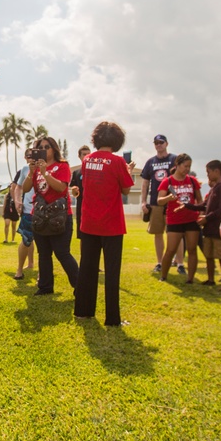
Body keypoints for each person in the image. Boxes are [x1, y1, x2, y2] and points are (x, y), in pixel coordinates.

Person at [74, 122, 134, 326]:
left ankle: (83, 311)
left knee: (87, 269)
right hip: (111, 224)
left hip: (89, 222)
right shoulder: (117, 161)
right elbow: (126, 189)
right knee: (111, 272)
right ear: (117, 140)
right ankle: (112, 318)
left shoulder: (87, 160)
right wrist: (127, 170)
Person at [22, 136, 79, 295]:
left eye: (47, 147)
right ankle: (45, 287)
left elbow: (61, 188)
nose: (43, 150)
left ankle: (80, 286)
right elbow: (25, 189)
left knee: (62, 252)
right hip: (40, 216)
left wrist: (45, 173)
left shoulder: (62, 166)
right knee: (44, 253)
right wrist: (31, 172)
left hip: (59, 216)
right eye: (40, 147)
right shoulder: (35, 168)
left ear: (54, 149)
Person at [157, 154, 204, 283]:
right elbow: (159, 200)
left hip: (191, 219)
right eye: (185, 166)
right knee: (171, 250)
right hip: (174, 220)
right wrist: (168, 198)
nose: (187, 169)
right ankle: (163, 276)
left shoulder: (193, 181)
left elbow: (200, 200)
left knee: (192, 249)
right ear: (177, 165)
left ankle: (190, 279)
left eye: (189, 166)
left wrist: (200, 213)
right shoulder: (167, 181)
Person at [140, 135, 180, 275]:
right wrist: (143, 201)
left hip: (172, 202)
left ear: (166, 143)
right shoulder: (150, 162)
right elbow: (145, 183)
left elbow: (179, 178)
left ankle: (179, 262)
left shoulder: (174, 159)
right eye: (156, 143)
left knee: (175, 233)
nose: (158, 145)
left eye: (161, 142)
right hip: (156, 202)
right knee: (158, 233)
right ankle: (160, 262)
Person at [198, 160, 221, 291]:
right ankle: (210, 280)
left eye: (208, 172)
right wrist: (186, 206)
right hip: (209, 229)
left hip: (218, 230)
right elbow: (204, 205)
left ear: (216, 171)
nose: (207, 175)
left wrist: (206, 218)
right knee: (209, 255)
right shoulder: (214, 188)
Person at [13, 148, 36, 280]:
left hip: (44, 211)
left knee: (44, 245)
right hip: (28, 211)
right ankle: (19, 269)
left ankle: (42, 274)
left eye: (33, 155)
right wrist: (17, 201)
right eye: (28, 156)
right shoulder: (25, 169)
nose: (31, 158)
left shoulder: (48, 168)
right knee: (26, 240)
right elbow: (18, 186)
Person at [68, 144, 91, 238]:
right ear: (79, 156)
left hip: (94, 207)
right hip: (81, 207)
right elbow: (74, 193)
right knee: (82, 236)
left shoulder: (96, 171)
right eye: (84, 154)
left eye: (88, 154)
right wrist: (74, 190)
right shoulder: (76, 173)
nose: (87, 156)